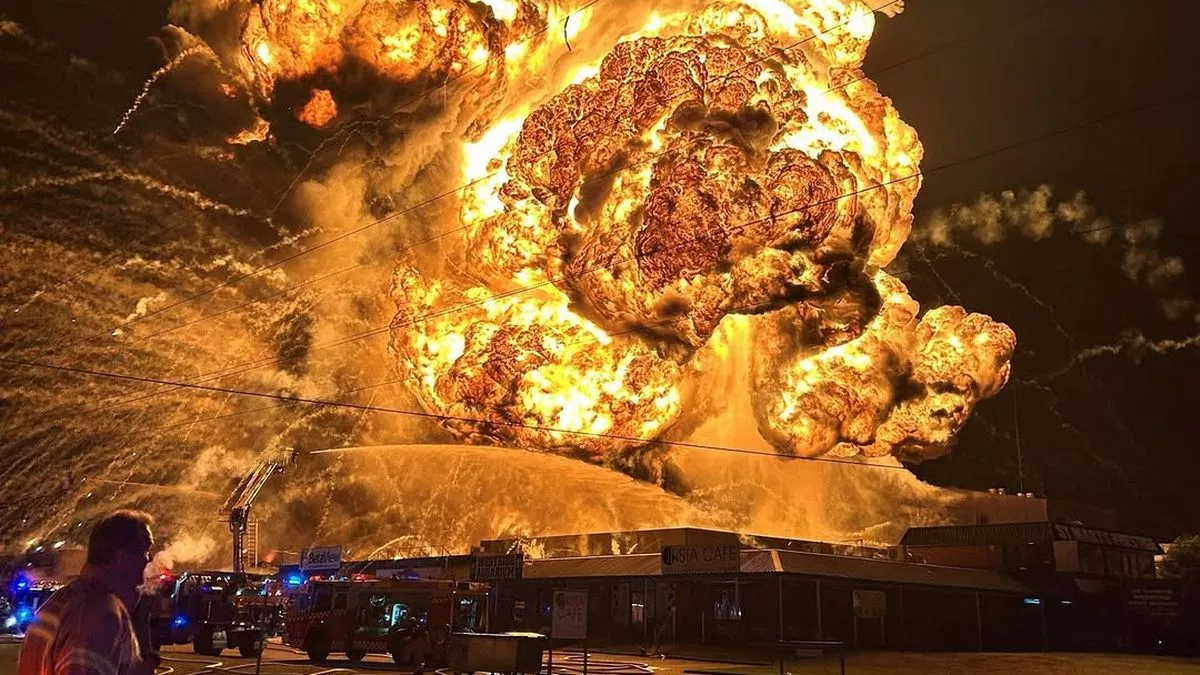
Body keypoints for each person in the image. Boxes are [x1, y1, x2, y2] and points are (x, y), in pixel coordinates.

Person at [17, 511, 160, 675]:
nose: (149, 559)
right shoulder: (101, 612)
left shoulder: (67, 601)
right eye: (145, 551)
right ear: (121, 557)